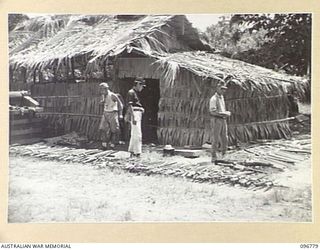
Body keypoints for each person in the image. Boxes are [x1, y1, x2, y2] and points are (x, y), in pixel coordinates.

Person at [209, 83, 231, 163]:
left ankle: (224, 154)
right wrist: (224, 114)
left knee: (224, 137)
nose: (223, 90)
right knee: (215, 138)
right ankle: (214, 156)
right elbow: (212, 112)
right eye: (221, 89)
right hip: (216, 120)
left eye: (224, 89)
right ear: (217, 88)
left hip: (223, 119)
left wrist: (225, 114)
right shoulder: (213, 99)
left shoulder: (222, 98)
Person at [98, 82, 123, 149]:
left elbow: (120, 104)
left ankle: (112, 145)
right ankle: (104, 145)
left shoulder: (112, 95)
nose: (101, 91)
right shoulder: (103, 95)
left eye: (102, 89)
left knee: (114, 130)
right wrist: (102, 102)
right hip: (106, 113)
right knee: (102, 128)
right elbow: (104, 103)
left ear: (106, 89)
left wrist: (120, 114)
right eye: (100, 89)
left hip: (113, 113)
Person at [126, 77, 146, 157]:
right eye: (141, 86)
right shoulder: (131, 92)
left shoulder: (135, 93)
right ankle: (137, 152)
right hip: (135, 113)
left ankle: (132, 150)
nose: (142, 88)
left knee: (134, 133)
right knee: (137, 133)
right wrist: (133, 117)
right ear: (138, 84)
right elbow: (130, 106)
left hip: (137, 113)